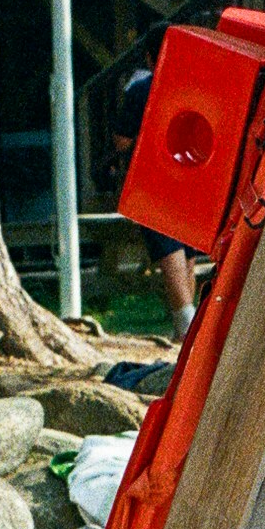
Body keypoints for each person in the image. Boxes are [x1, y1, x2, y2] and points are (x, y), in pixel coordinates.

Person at [112, 49, 200, 339]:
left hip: (153, 178)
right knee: (187, 251)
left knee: (168, 250)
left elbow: (122, 142)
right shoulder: (194, 85)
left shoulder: (140, 90)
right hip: (190, 174)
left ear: (149, 57)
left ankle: (186, 326)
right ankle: (189, 324)